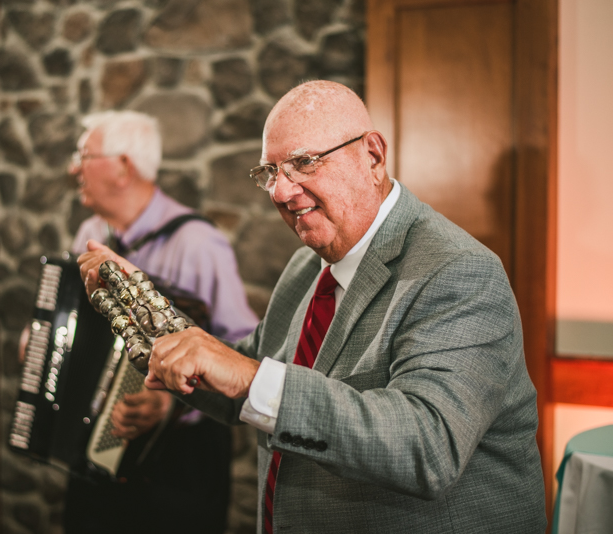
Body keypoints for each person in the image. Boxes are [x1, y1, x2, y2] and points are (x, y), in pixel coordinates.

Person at [79, 82, 547, 533]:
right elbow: (232, 372)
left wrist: (248, 375)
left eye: (304, 163)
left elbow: (427, 445)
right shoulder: (306, 267)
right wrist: (133, 294)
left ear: (372, 156)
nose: (281, 193)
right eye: (271, 173)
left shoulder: (459, 271)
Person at [65, 110, 259, 534]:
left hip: (179, 471)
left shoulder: (198, 243)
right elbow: (74, 320)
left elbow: (244, 350)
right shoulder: (90, 233)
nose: (72, 167)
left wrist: (173, 404)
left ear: (122, 167)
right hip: (97, 453)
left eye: (84, 155)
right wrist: (47, 345)